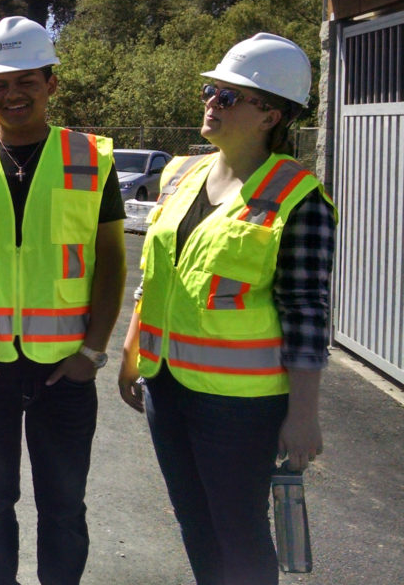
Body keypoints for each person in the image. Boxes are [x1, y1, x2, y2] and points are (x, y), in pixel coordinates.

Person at [117, 33, 336, 585]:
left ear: (271, 115)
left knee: (239, 529)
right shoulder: (181, 175)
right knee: (193, 521)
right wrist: (130, 350)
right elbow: (156, 276)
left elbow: (307, 312)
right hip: (167, 385)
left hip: (241, 407)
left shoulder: (298, 197)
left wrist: (304, 414)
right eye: (212, 90)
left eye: (229, 96)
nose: (211, 101)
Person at [0, 16, 127, 585]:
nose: (12, 95)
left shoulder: (90, 157)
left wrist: (92, 352)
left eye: (26, 82)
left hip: (64, 369)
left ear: (51, 84)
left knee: (64, 507)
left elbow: (112, 259)